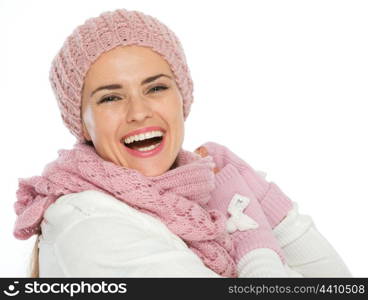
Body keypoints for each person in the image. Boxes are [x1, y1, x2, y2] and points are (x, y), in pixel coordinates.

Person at [13, 8, 351, 278]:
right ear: (82, 123)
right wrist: (252, 235)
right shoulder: (91, 224)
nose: (139, 112)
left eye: (156, 88)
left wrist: (258, 194)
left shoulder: (195, 201)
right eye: (111, 97)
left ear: (182, 98)